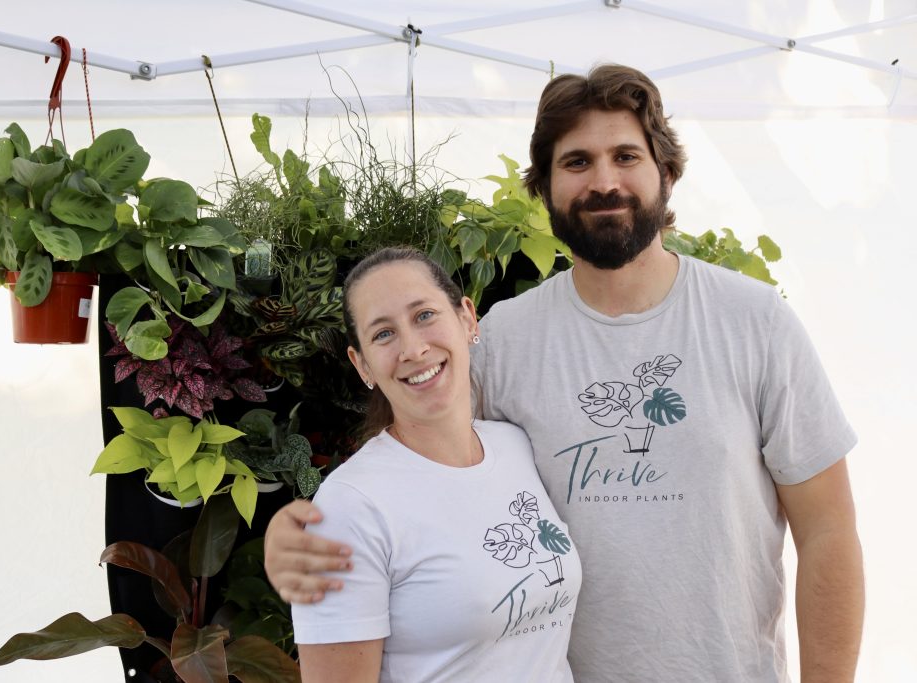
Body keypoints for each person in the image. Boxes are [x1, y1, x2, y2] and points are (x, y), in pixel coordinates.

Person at [267, 64, 864, 682]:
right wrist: (304, 530)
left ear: (667, 171)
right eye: (576, 162)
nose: (604, 181)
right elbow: (421, 470)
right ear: (545, 189)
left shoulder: (756, 323)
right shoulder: (503, 340)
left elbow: (828, 532)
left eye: (626, 155)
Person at [292, 247, 580, 682]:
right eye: (383, 334)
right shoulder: (347, 508)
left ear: (467, 318)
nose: (413, 348)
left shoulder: (516, 446)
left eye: (424, 315)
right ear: (362, 364)